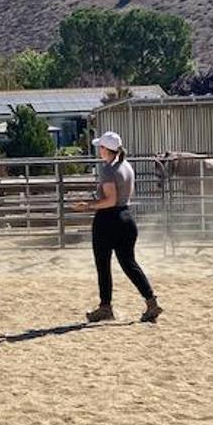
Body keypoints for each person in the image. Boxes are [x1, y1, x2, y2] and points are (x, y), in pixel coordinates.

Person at [73, 131, 162, 323]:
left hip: (108, 220)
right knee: (129, 264)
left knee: (103, 264)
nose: (99, 149)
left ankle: (106, 307)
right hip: (126, 218)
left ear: (106, 149)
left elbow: (110, 200)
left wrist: (87, 206)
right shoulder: (126, 166)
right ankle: (151, 301)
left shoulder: (108, 170)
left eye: (101, 147)